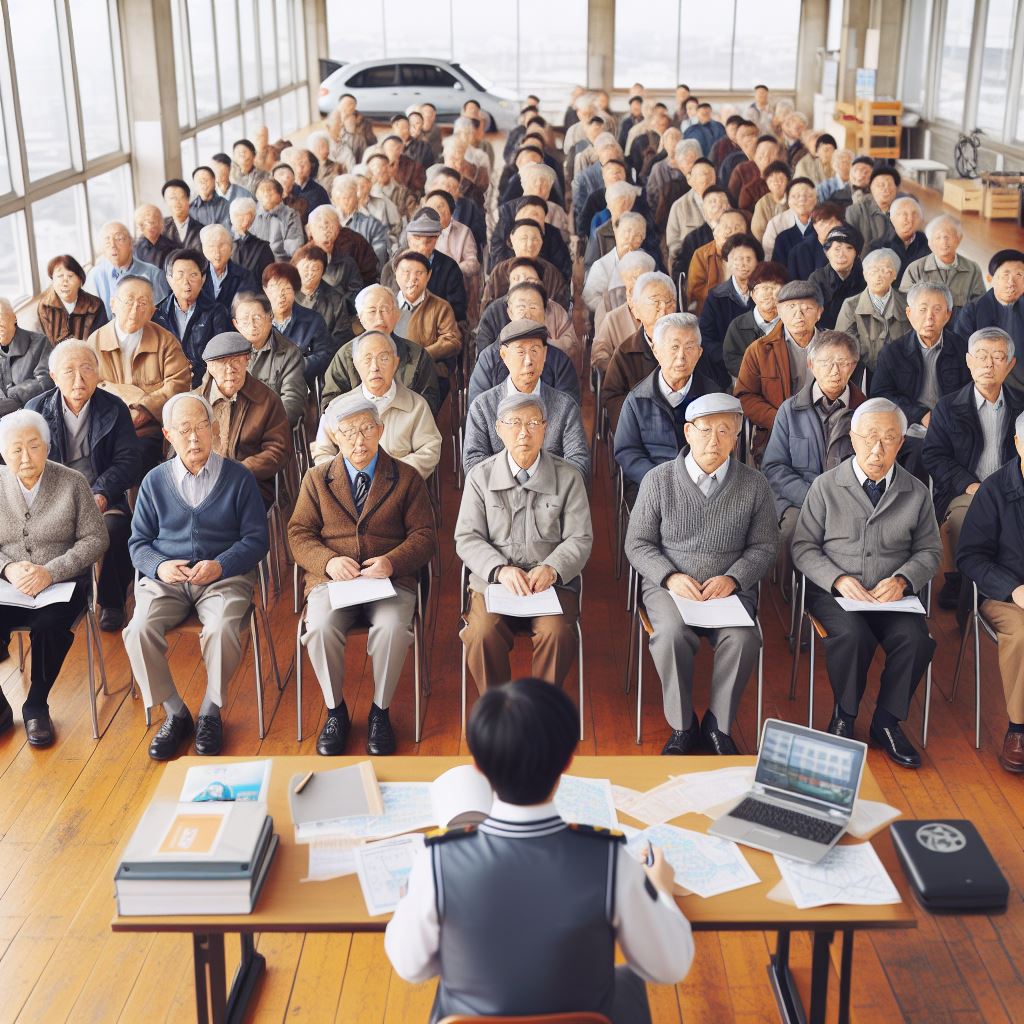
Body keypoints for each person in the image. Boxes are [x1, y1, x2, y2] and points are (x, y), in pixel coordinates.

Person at [385, 676, 693, 1024]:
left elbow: (411, 968)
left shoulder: (436, 863)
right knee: (626, 980)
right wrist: (661, 891)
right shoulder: (611, 861)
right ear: (567, 762)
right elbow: (670, 967)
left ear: (479, 768)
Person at [625, 393, 778, 754]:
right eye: (705, 430)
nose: (714, 440)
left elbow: (765, 547)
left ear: (736, 438)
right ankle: (682, 726)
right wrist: (670, 577)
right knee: (671, 635)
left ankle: (717, 725)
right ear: (688, 433)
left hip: (728, 589)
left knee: (743, 638)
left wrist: (734, 579)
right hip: (670, 586)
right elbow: (638, 544)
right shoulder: (658, 480)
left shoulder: (754, 484)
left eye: (725, 431)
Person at [792, 398, 941, 768]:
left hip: (892, 596)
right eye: (870, 437)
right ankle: (844, 715)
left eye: (889, 438)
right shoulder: (826, 486)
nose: (878, 449)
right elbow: (803, 548)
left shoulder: (916, 492)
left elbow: (930, 551)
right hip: (837, 595)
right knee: (852, 635)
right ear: (853, 439)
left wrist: (903, 580)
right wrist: (838, 579)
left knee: (916, 640)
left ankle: (886, 722)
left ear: (901, 443)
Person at [124, 393, 269, 761]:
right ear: (168, 435)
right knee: (138, 629)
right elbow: (138, 543)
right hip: (167, 581)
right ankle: (175, 712)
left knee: (220, 628)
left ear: (214, 429)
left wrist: (221, 564)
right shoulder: (154, 481)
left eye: (201, 427)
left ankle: (209, 711)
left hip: (223, 578)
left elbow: (257, 539)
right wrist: (160, 566)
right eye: (184, 430)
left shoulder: (238, 478)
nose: (194, 438)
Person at [289, 394, 435, 756]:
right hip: (333, 582)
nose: (359, 441)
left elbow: (425, 536)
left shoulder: (406, 477)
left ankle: (380, 712)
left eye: (367, 429)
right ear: (335, 436)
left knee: (391, 629)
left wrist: (392, 562)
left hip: (389, 582)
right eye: (349, 432)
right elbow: (298, 534)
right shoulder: (317, 479)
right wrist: (328, 562)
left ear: (380, 430)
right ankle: (335, 710)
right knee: (319, 628)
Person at [456, 392, 593, 694]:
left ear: (545, 428)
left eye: (532, 423)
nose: (523, 432)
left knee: (557, 634)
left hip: (550, 585)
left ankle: (540, 709)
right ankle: (499, 709)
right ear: (498, 428)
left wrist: (552, 568)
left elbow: (580, 537)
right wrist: (500, 570)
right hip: (494, 585)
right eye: (514, 423)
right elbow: (467, 537)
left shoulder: (569, 477)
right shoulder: (480, 477)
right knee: (481, 633)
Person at [0, 410, 108, 747]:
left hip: (62, 584)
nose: (26, 457)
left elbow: (96, 538)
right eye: (16, 449)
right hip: (9, 586)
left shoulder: (73, 482)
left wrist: (51, 572)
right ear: (3, 453)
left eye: (34, 446)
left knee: (49, 626)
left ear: (47, 447)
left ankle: (36, 705)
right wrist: (8, 568)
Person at [27, 341, 142, 631]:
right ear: (54, 376)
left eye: (86, 369)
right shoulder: (35, 410)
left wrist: (101, 493)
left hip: (101, 496)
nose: (78, 380)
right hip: (52, 500)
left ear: (97, 373)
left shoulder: (114, 408)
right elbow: (26, 466)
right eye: (69, 371)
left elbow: (128, 461)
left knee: (117, 529)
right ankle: (58, 598)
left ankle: (112, 602)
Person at [923, 327, 1022, 610]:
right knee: (966, 517)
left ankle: (1008, 582)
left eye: (998, 357)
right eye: (981, 356)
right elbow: (933, 455)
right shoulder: (947, 407)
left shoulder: (1021, 405)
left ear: (1010, 364)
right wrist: (970, 485)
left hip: (1014, 490)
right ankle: (962, 583)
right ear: (968, 361)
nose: (988, 364)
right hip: (965, 492)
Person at [763, 330, 865, 587]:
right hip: (799, 500)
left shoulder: (865, 413)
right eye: (826, 362)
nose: (834, 371)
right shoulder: (790, 410)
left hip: (849, 502)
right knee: (792, 530)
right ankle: (788, 596)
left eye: (842, 363)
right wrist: (813, 498)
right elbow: (774, 467)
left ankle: (839, 593)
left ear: (853, 366)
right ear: (811, 365)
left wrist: (840, 502)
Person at [957, 408, 1024, 772]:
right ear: (1017, 444)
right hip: (1004, 596)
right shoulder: (995, 490)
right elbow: (970, 557)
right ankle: (1019, 729)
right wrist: (1014, 590)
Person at [87, 275, 192, 471]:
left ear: (152, 311)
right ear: (113, 304)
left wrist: (144, 410)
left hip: (149, 429)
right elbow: (88, 385)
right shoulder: (95, 342)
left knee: (134, 460)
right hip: (106, 427)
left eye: (143, 303)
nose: (135, 309)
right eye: (129, 300)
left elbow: (178, 384)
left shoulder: (166, 341)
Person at [463, 321, 589, 478]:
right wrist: (512, 484)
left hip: (552, 491)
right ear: (504, 355)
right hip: (497, 492)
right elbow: (473, 463)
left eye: (535, 351)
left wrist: (539, 484)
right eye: (520, 352)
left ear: (544, 355)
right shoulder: (482, 406)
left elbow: (579, 463)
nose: (529, 361)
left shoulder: (566, 407)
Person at [614, 313, 718, 504]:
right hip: (653, 488)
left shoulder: (712, 397)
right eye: (674, 347)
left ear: (699, 353)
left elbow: (723, 450)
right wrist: (660, 482)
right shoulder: (637, 399)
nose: (681, 357)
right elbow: (627, 451)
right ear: (656, 351)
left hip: (702, 488)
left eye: (689, 347)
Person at [312, 332, 441, 479]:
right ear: (356, 364)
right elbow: (322, 453)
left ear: (396, 363)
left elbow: (429, 450)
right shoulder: (337, 407)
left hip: (400, 486)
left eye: (383, 358)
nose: (375, 367)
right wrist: (350, 478)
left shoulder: (416, 406)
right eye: (367, 359)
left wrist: (392, 475)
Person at [193, 332, 291, 507]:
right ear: (210, 367)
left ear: (247, 361)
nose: (230, 369)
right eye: (222, 362)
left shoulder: (267, 400)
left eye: (237, 361)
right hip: (200, 483)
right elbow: (176, 452)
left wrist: (241, 471)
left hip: (249, 483)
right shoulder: (193, 403)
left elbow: (278, 450)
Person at [736, 280, 824, 459]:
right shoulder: (759, 350)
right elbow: (745, 397)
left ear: (819, 313)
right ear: (779, 311)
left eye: (807, 308)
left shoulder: (834, 346)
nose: (799, 315)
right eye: (791, 307)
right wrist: (781, 420)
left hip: (825, 431)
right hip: (777, 434)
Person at [321, 285, 441, 417]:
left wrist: (397, 420)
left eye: (385, 310)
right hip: (359, 427)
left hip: (404, 426)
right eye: (372, 311)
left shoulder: (417, 355)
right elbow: (330, 403)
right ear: (361, 318)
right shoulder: (345, 355)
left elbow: (430, 402)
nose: (379, 319)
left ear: (397, 315)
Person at [872, 282, 969, 440]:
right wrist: (920, 414)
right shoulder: (892, 352)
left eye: (937, 309)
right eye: (922, 309)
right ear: (909, 313)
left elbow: (970, 392)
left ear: (948, 315)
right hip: (908, 428)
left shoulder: (963, 349)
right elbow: (881, 394)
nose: (929, 317)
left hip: (952, 428)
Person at [470, 282, 580, 402]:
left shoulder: (560, 361)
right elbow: (478, 406)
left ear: (544, 314)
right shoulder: (489, 358)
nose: (527, 313)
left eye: (533, 307)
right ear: (510, 312)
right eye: (521, 307)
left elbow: (569, 407)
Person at [602, 271, 678, 430]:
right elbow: (612, 398)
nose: (663, 311)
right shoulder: (625, 353)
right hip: (643, 431)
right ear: (636, 311)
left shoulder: (690, 344)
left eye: (669, 302)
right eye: (656, 302)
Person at [152, 248, 232, 387]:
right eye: (180, 275)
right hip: (166, 385)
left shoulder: (217, 312)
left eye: (193, 275)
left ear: (203, 278)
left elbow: (223, 355)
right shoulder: (157, 314)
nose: (186, 282)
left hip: (204, 385)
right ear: (169, 279)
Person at [954, 249, 1024, 399]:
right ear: (990, 279)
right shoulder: (972, 311)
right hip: (988, 389)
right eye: (1005, 275)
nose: (1011, 283)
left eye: (1019, 275)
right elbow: (960, 355)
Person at [231, 292, 308, 426]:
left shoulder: (289, 354)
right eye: (245, 319)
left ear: (270, 317)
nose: (252, 325)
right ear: (236, 324)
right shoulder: (226, 352)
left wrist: (262, 427)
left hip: (270, 428)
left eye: (257, 317)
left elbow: (292, 402)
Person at [697, 234, 762, 387]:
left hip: (761, 367)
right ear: (726, 262)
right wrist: (730, 360)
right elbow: (706, 337)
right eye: (737, 259)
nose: (743, 264)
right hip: (724, 369)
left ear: (758, 262)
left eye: (748, 259)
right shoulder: (716, 296)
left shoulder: (766, 295)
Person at [382, 209, 468, 323]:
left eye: (429, 241)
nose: (422, 247)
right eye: (417, 238)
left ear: (436, 239)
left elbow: (458, 313)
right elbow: (384, 307)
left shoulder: (450, 268)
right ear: (408, 237)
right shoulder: (389, 269)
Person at [835, 248, 910, 374]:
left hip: (902, 372)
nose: (878, 276)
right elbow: (842, 343)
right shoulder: (851, 305)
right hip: (863, 374)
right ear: (865, 275)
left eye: (884, 270)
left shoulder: (907, 304)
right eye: (873, 270)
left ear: (894, 275)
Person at [261, 262, 333, 385]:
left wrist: (292, 368)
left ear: (295, 290)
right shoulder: (258, 321)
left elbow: (324, 356)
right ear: (265, 290)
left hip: (302, 385)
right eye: (275, 288)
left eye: (287, 288)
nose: (281, 294)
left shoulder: (313, 321)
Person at [900, 214, 985, 311]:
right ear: (930, 243)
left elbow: (980, 304)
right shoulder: (915, 269)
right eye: (938, 237)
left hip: (961, 320)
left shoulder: (972, 268)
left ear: (959, 238)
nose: (944, 242)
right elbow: (904, 303)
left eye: (947, 236)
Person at [84, 221, 168, 315]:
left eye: (119, 239)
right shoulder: (94, 276)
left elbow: (161, 316)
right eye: (107, 241)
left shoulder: (154, 275)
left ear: (131, 243)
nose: (113, 245)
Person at [484, 221, 570, 311]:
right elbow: (487, 307)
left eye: (535, 239)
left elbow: (560, 308)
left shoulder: (552, 273)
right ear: (512, 240)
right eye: (523, 238)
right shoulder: (499, 271)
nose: (529, 244)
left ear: (541, 243)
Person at [723, 261, 787, 379]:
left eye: (775, 287)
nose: (769, 293)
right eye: (764, 288)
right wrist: (761, 374)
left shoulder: (791, 323)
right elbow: (731, 359)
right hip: (749, 383)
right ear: (752, 294)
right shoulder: (738, 325)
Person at [592, 250, 653, 374]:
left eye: (644, 278)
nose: (638, 283)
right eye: (633, 278)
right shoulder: (612, 317)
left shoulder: (660, 309)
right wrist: (619, 371)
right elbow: (599, 354)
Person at [582, 212, 648, 314]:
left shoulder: (646, 263)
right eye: (627, 232)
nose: (630, 239)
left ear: (642, 239)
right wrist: (614, 310)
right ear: (616, 233)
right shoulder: (601, 266)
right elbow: (589, 299)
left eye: (637, 235)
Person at [292, 242, 353, 349]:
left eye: (315, 269)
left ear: (323, 272)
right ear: (295, 268)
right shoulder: (286, 293)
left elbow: (342, 335)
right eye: (306, 268)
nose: (310, 273)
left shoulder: (336, 299)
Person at [37, 255, 109, 345]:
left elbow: (102, 341)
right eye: (59, 276)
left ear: (80, 281)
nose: (65, 282)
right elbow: (48, 344)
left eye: (70, 276)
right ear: (53, 281)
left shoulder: (95, 305)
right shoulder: (45, 306)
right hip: (59, 354)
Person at [688, 209, 747, 316]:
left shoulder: (751, 254)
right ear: (715, 233)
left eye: (737, 227)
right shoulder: (701, 255)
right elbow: (696, 291)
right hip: (712, 311)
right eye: (726, 227)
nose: (732, 231)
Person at [808, 224, 865, 329]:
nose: (842, 254)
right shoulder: (817, 279)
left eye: (849, 248)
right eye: (837, 249)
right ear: (827, 252)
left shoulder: (865, 277)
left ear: (857, 254)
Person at [307, 204, 376, 291]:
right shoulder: (312, 247)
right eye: (320, 227)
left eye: (328, 225)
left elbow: (336, 280)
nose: (325, 231)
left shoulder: (347, 241)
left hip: (364, 287)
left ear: (337, 224)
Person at [331, 173, 389, 268]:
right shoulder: (327, 224)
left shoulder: (372, 225)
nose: (345, 200)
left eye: (349, 196)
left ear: (357, 198)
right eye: (341, 197)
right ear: (335, 200)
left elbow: (379, 258)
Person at [199, 223, 256, 311]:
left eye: (221, 246)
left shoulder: (245, 276)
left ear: (231, 248)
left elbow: (246, 307)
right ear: (204, 250)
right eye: (211, 246)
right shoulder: (197, 274)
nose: (217, 252)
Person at [762, 177, 818, 265]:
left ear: (816, 199)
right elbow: (769, 258)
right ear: (788, 200)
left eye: (807, 195)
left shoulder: (825, 221)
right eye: (795, 196)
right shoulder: (776, 223)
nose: (802, 199)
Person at [874, 196, 928, 285]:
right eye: (904, 214)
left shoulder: (930, 244)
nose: (910, 219)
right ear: (892, 218)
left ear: (921, 219)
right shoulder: (878, 246)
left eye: (914, 214)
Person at [847, 166, 901, 253]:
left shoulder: (903, 209)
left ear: (896, 188)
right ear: (871, 188)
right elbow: (850, 246)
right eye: (880, 185)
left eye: (890, 184)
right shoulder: (855, 211)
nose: (886, 188)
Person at [786, 203, 845, 281]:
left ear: (841, 224)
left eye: (831, 222)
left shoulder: (850, 245)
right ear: (814, 225)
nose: (826, 227)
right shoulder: (799, 251)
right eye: (822, 223)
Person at [252, 178, 304, 261]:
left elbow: (294, 247)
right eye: (262, 190)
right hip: (256, 262)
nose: (266, 194)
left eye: (270, 190)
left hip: (280, 263)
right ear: (256, 196)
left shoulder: (291, 214)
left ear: (280, 194)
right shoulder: (252, 213)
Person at [229, 197, 276, 285]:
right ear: (232, 218)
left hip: (254, 292)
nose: (245, 222)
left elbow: (269, 279)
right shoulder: (223, 243)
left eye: (249, 218)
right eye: (240, 217)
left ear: (253, 219)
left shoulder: (263, 248)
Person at [161, 179, 204, 250]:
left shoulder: (201, 230)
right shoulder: (160, 228)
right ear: (165, 201)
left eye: (181, 197)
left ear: (188, 199)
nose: (177, 202)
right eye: (172, 198)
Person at [133, 203, 177, 271]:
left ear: (160, 223)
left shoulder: (173, 247)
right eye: (146, 223)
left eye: (153, 222)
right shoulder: (134, 249)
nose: (150, 227)